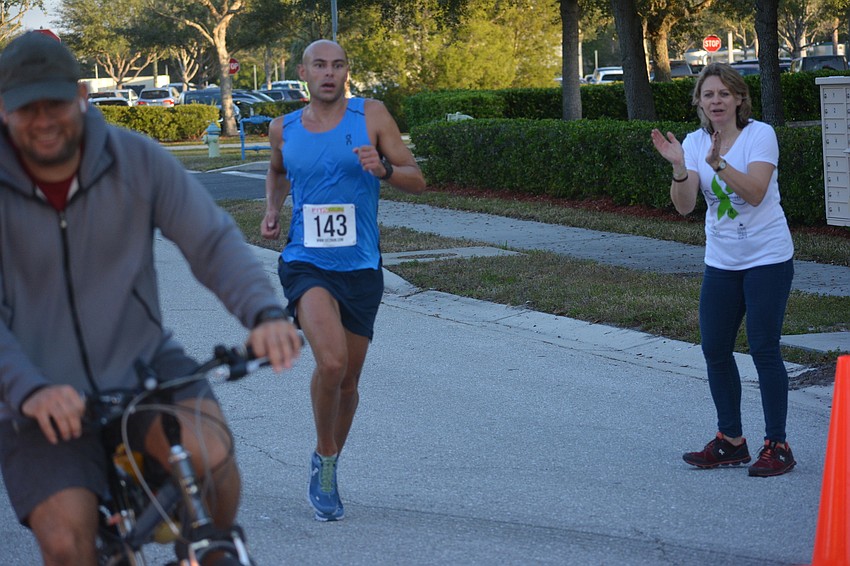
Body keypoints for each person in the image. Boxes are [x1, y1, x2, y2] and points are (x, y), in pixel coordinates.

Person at [0, 32, 302, 565]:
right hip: (36, 392)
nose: (44, 119)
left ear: (82, 95)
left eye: (55, 102)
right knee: (67, 542)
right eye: (28, 108)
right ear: (3, 110)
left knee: (212, 462)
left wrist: (264, 312)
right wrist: (29, 390)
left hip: (141, 363)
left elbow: (209, 240)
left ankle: (210, 551)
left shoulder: (133, 160)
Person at [262, 39, 426, 521]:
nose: (328, 73)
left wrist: (385, 168)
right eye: (319, 65)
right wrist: (272, 209)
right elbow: (276, 173)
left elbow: (417, 178)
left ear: (346, 72)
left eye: (337, 65)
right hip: (305, 261)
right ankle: (323, 448)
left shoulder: (371, 116)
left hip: (360, 266)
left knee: (349, 382)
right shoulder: (284, 128)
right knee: (330, 362)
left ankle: (327, 463)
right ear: (304, 73)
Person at [651, 62, 796, 477]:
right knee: (715, 349)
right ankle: (731, 441)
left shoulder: (759, 135)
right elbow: (684, 206)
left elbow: (753, 192)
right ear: (699, 100)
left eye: (723, 94)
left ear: (738, 99)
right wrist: (681, 167)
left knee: (764, 348)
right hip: (722, 262)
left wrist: (718, 164)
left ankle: (778, 445)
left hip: (768, 258)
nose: (716, 101)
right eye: (708, 94)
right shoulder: (695, 142)